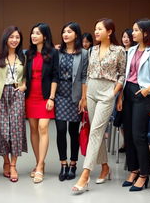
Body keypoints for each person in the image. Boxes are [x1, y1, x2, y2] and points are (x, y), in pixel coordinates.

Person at [72, 18, 126, 194]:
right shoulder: (92, 50)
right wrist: (85, 97)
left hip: (107, 92)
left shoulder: (118, 50)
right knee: (97, 130)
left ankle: (85, 175)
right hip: (92, 90)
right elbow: (87, 75)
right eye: (95, 29)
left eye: (99, 29)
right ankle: (104, 167)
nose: (95, 32)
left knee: (95, 131)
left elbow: (122, 75)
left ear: (109, 31)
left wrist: (114, 93)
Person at [117, 18, 150, 192]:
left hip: (142, 95)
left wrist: (148, 89)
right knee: (128, 135)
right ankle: (133, 169)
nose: (132, 33)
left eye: (136, 30)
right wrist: (121, 97)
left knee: (139, 136)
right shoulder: (131, 51)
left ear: (145, 33)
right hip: (128, 92)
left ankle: (144, 174)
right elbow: (125, 74)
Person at [0, 26, 27, 183]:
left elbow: (27, 76)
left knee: (16, 130)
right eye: (11, 37)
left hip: (17, 94)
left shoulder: (23, 57)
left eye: (17, 37)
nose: (14, 40)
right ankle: (5, 160)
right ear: (6, 38)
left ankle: (13, 165)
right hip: (1, 95)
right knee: (3, 131)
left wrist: (24, 86)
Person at [25, 23, 59, 183]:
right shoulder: (29, 54)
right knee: (33, 128)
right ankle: (40, 162)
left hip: (45, 96)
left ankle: (39, 167)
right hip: (31, 96)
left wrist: (51, 98)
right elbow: (26, 75)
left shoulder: (53, 53)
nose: (33, 36)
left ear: (44, 36)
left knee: (43, 127)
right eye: (32, 33)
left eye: (37, 33)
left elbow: (55, 76)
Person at [55, 22, 88, 181]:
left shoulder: (83, 53)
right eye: (64, 31)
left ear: (76, 34)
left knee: (73, 132)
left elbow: (84, 77)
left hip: (75, 96)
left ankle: (73, 164)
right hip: (60, 94)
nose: (65, 34)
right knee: (60, 130)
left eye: (69, 31)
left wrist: (83, 98)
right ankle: (63, 164)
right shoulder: (58, 52)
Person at [118, 28, 135, 153]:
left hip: (131, 87)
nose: (125, 39)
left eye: (128, 37)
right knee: (122, 119)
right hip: (120, 88)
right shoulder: (119, 51)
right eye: (124, 37)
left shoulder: (135, 52)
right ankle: (126, 142)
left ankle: (132, 143)